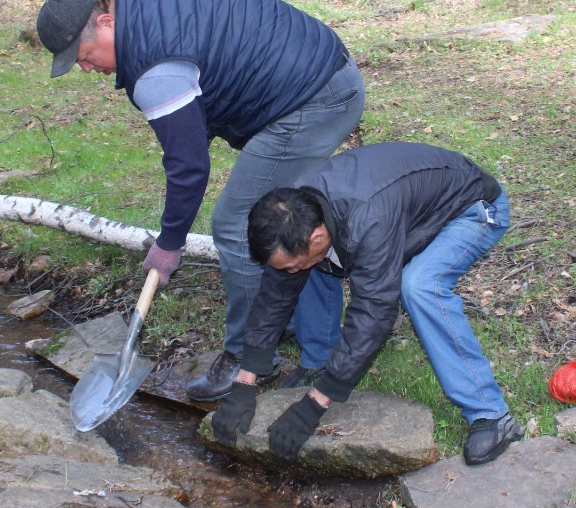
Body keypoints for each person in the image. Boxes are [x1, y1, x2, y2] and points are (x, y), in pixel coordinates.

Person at [36, 0, 365, 400]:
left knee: (236, 222)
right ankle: (284, 324)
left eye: (83, 55)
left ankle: (251, 359)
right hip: (324, 68)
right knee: (289, 219)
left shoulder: (155, 69)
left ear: (105, 21)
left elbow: (189, 167)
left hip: (312, 99)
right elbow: (207, 74)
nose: (84, 68)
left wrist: (169, 244)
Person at [210, 142, 521, 466]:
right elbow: (276, 290)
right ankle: (319, 361)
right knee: (301, 268)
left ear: (318, 237)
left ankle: (491, 415)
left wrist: (315, 404)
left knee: (418, 285)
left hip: (472, 208)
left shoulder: (368, 221)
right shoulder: (295, 213)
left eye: (289, 262)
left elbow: (373, 312)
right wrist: (244, 381)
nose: (287, 270)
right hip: (401, 210)